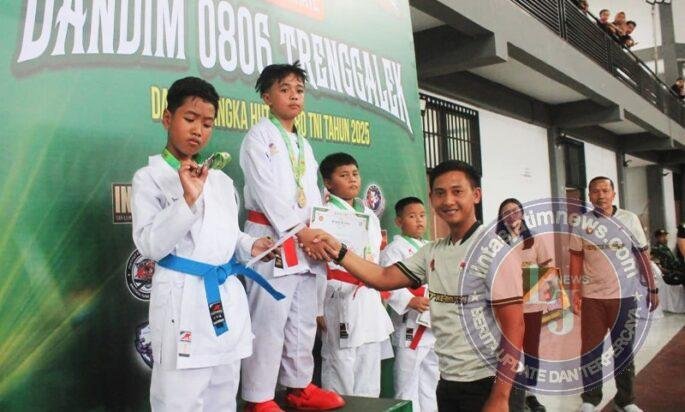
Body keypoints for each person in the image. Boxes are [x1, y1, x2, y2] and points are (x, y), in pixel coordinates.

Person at [309, 160, 524, 412]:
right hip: (450, 381)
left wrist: (501, 396)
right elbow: (383, 277)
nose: (448, 201)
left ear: (476, 195)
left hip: (490, 383)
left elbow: (515, 326)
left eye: (457, 191)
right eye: (440, 193)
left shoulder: (494, 249)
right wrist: (338, 250)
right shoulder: (433, 251)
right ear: (432, 199)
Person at [131, 77, 282, 411]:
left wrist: (250, 246)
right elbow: (150, 245)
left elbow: (226, 235)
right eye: (190, 119)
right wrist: (187, 200)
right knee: (178, 401)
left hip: (224, 297)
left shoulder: (221, 180)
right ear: (167, 118)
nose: (198, 130)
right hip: (182, 300)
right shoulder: (149, 178)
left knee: (223, 396)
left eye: (207, 123)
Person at [238, 62, 345, 412]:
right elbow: (266, 193)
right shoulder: (258, 137)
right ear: (267, 97)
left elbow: (309, 194)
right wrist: (302, 231)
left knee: (301, 318)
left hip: (305, 241)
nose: (294, 96)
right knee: (269, 319)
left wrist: (318, 229)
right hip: (271, 238)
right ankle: (259, 397)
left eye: (299, 90)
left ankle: (300, 387)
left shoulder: (303, 144)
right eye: (284, 89)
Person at [570, 177, 659, 412]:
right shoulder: (581, 223)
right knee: (590, 351)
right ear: (589, 196)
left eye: (605, 190)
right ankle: (590, 399)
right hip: (592, 298)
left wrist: (652, 288)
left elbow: (642, 255)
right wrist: (574, 291)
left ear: (613, 194)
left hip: (624, 297)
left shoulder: (629, 219)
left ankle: (625, 400)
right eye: (595, 191)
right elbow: (576, 258)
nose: (600, 195)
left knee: (623, 350)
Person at [315, 152, 394, 397]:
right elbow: (316, 265)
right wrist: (316, 308)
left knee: (369, 367)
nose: (352, 179)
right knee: (340, 365)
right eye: (344, 175)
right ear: (328, 183)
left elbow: (375, 260)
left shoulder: (369, 215)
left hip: (368, 296)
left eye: (355, 174)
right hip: (339, 295)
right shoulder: (323, 214)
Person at [381, 197, 438, 412]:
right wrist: (409, 300)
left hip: (432, 324)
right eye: (412, 216)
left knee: (430, 382)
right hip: (410, 325)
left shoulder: (431, 247)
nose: (419, 220)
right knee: (407, 384)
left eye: (422, 215)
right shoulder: (394, 250)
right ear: (399, 221)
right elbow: (385, 283)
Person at [497, 199, 554, 412]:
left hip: (531, 305)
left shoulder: (534, 239)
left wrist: (551, 299)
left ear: (522, 213)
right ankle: (510, 391)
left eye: (515, 211)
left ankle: (530, 394)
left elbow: (547, 268)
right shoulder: (496, 241)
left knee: (531, 350)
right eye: (506, 212)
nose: (512, 215)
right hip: (506, 305)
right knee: (509, 350)